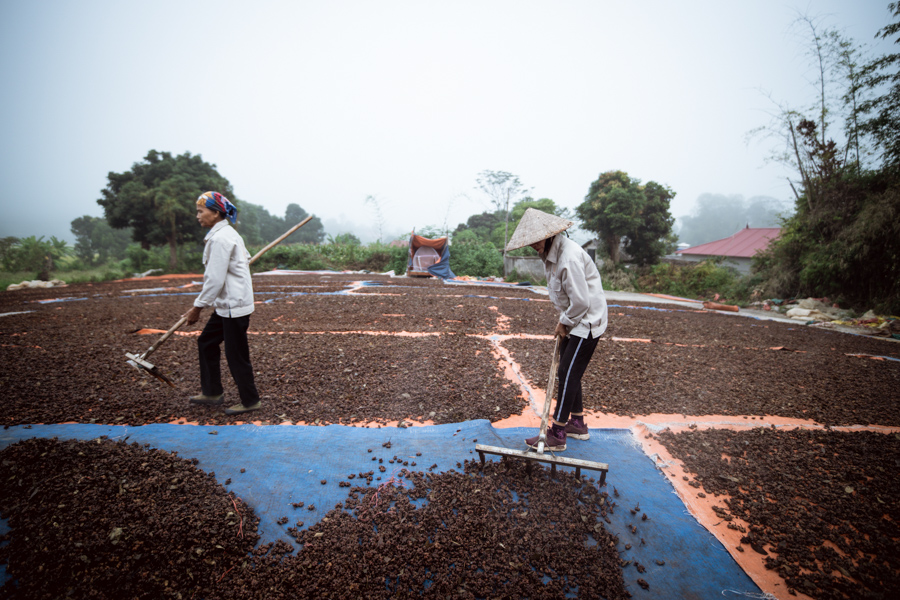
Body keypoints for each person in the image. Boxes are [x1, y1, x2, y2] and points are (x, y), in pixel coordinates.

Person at [505, 208, 608, 451]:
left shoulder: (568, 257)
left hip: (587, 321)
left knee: (566, 371)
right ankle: (578, 423)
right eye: (529, 243)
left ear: (550, 235)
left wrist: (564, 322)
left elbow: (581, 302)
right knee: (570, 369)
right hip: (575, 318)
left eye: (535, 241)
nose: (532, 246)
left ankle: (558, 432)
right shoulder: (551, 253)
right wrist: (565, 320)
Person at [184, 191, 261, 416]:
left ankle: (250, 400)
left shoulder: (220, 238)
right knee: (206, 342)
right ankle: (212, 392)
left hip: (233, 306)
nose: (198, 216)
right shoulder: (228, 234)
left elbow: (215, 280)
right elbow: (244, 258)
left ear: (216, 213)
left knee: (236, 354)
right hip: (226, 305)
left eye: (201, 211)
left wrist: (197, 308)